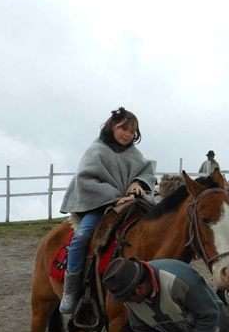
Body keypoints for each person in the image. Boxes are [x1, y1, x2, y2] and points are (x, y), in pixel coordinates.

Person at [58, 107, 156, 314]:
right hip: (100, 205)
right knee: (82, 237)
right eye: (124, 128)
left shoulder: (134, 154)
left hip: (130, 204)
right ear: (112, 126)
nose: (127, 134)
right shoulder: (97, 150)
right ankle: (71, 288)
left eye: (132, 131)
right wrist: (114, 197)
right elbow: (86, 179)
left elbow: (146, 171)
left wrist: (138, 183)